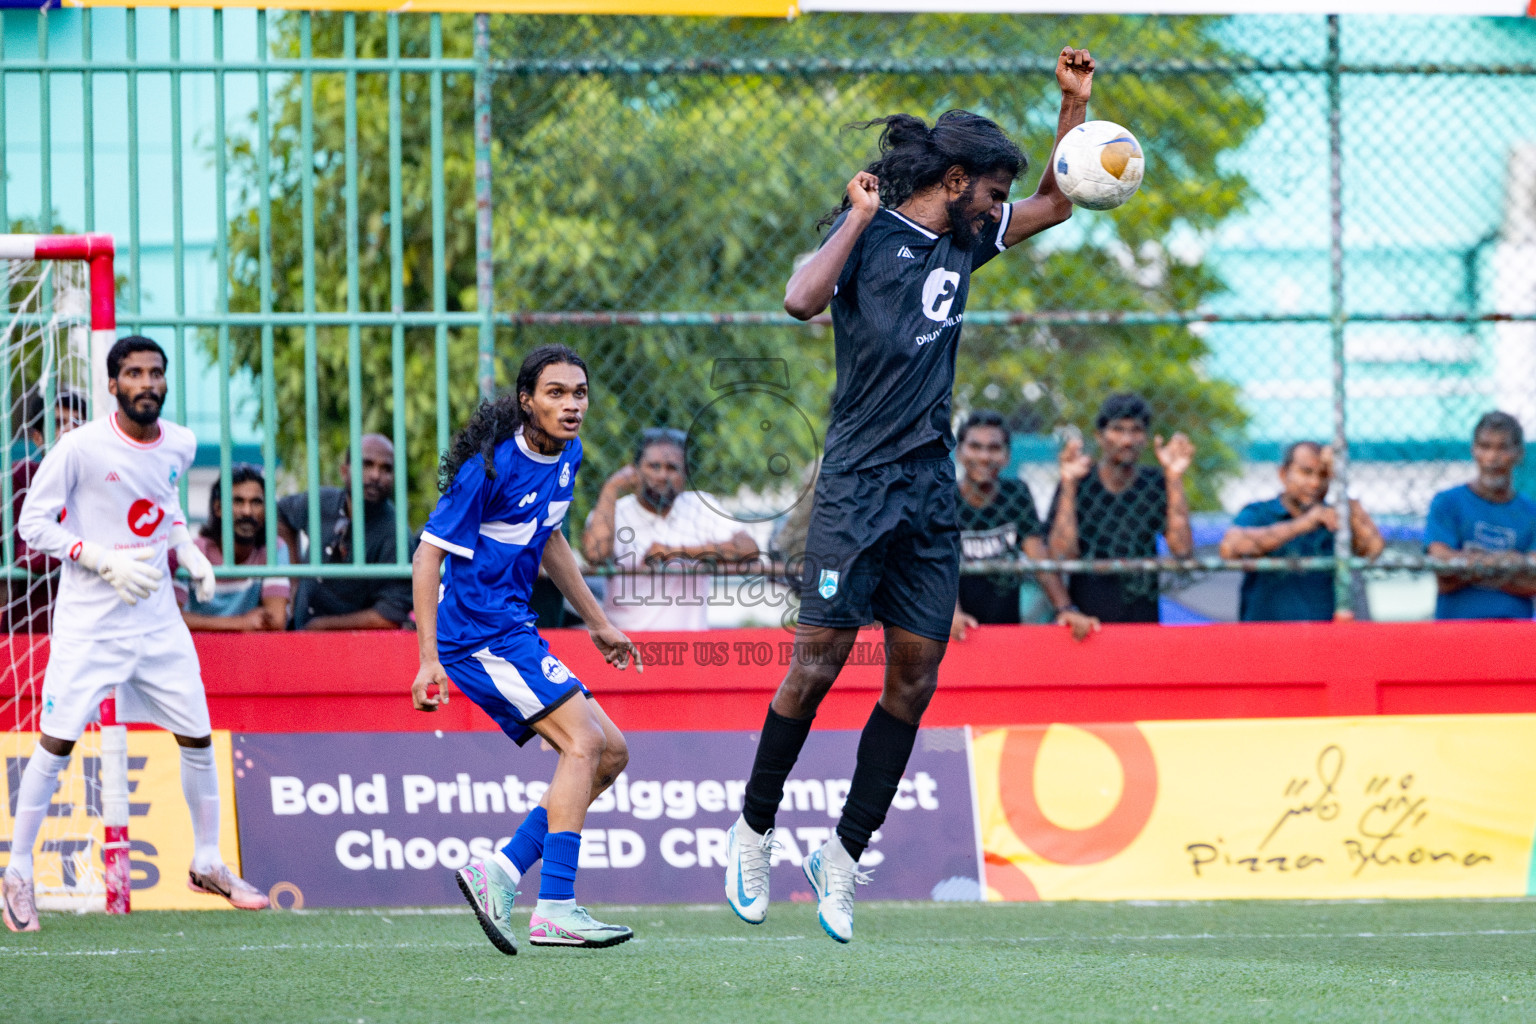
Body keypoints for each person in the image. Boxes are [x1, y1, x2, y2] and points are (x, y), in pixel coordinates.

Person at [724, 46, 1099, 944]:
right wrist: (855, 219)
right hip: (855, 484)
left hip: (929, 493)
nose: (1002, 205)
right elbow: (799, 299)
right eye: (992, 189)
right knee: (814, 665)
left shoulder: (970, 240)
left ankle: (844, 855)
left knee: (916, 675)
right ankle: (753, 828)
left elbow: (1059, 198)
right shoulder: (875, 235)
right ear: (957, 179)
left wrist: (1073, 109)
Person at [4, 336, 268, 933]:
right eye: (134, 374)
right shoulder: (78, 448)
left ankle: (206, 861)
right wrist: (98, 558)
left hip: (156, 623)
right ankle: (18, 871)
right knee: (57, 742)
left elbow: (166, 505)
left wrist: (187, 553)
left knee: (197, 734)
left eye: (155, 373)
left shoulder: (180, 442)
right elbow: (32, 524)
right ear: (113, 384)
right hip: (90, 625)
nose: (146, 383)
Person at [411, 344, 643, 952]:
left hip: (514, 629)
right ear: (526, 401)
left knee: (611, 753)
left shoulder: (568, 454)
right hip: (476, 635)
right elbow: (428, 553)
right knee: (583, 742)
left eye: (579, 393)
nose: (571, 405)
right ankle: (557, 906)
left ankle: (502, 872)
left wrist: (596, 621)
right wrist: (427, 659)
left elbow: (550, 538)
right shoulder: (487, 468)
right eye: (556, 393)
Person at [582, 427, 758, 632]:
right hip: (625, 643)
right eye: (653, 466)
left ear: (684, 474)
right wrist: (611, 488)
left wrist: (674, 552)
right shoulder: (615, 511)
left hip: (687, 645)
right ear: (635, 470)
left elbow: (749, 549)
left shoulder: (699, 505)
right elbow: (595, 554)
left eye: (672, 468)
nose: (662, 475)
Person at [949, 410, 1099, 641]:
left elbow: (1038, 556)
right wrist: (950, 613)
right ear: (959, 452)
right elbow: (936, 564)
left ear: (1007, 456)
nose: (984, 456)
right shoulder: (944, 499)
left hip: (1004, 628)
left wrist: (1066, 609)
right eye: (975, 447)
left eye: (994, 448)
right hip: (957, 628)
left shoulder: (1016, 494)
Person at [1047, 393, 1195, 623]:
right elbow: (1062, 554)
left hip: (1141, 621)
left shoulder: (1155, 482)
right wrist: (1067, 482)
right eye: (1117, 429)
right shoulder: (1080, 483)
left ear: (1145, 438)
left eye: (1135, 430)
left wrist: (1174, 477)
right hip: (1087, 624)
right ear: (1099, 436)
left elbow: (1182, 549)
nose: (1127, 440)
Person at [1221, 441, 1384, 621]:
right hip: (1266, 638)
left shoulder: (1336, 516)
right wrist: (1303, 524)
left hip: (1322, 639)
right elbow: (1230, 547)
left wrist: (1341, 481)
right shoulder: (1261, 513)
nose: (1315, 483)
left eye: (1324, 475)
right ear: (1283, 474)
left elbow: (1374, 548)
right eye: (1306, 472)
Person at [277, 434, 412, 630]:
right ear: (344, 471)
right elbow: (279, 514)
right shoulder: (322, 500)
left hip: (354, 651)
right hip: (295, 636)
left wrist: (321, 626)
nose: (375, 475)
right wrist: (294, 575)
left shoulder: (396, 533)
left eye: (386, 469)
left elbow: (390, 615)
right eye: (366, 464)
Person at [1425, 411, 1536, 619]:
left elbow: (1533, 583)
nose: (1492, 457)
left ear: (1519, 453)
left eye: (1502, 448)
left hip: (1514, 633)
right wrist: (1509, 564)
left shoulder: (1531, 513)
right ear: (1474, 450)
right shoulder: (1447, 503)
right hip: (1457, 632)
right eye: (1485, 447)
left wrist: (1466, 565)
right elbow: (1443, 575)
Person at [6, 389, 87, 633]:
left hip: (94, 622)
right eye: (59, 423)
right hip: (33, 626)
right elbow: (20, 553)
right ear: (37, 437)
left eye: (78, 422)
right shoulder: (21, 476)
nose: (70, 430)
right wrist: (90, 549)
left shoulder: (104, 475)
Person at [173, 464, 291, 631]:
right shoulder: (192, 552)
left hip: (248, 652)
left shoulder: (274, 550)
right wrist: (241, 623)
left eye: (256, 502)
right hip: (200, 651)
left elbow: (276, 621)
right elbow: (170, 618)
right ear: (218, 508)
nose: (247, 511)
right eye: (237, 501)